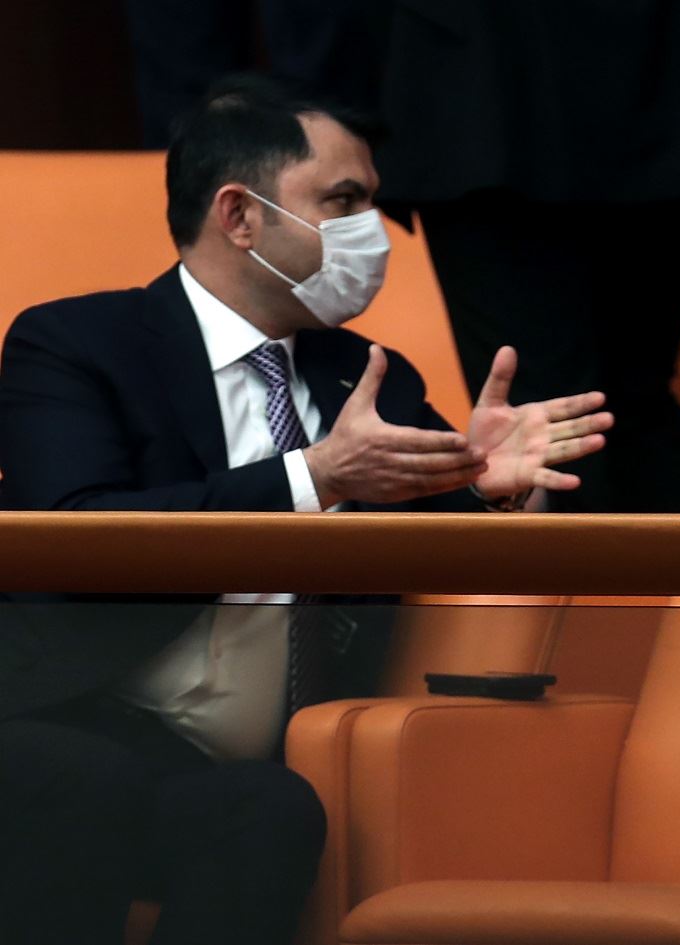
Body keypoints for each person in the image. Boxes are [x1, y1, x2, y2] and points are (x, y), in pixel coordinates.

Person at [0, 76, 611, 945]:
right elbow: (77, 534)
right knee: (85, 780)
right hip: (53, 714)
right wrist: (312, 477)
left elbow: (440, 533)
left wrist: (487, 483)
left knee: (272, 807)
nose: (374, 233)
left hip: (205, 759)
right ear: (240, 216)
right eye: (344, 201)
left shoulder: (365, 371)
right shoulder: (74, 344)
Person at [373, 0, 680, 512]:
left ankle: (653, 590)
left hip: (494, 105)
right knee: (629, 407)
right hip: (662, 97)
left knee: (555, 416)